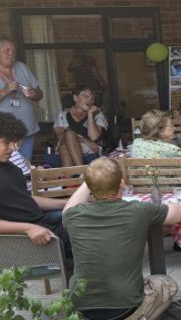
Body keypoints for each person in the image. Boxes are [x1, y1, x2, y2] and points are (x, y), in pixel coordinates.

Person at [63, 157, 181, 320]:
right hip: (125, 313)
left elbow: (68, 207)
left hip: (82, 315)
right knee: (167, 284)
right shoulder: (138, 210)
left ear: (89, 186)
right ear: (122, 183)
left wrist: (92, 181)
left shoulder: (73, 216)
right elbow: (180, 213)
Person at [0, 112, 70, 251]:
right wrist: (27, 228)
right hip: (31, 240)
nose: (14, 148)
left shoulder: (12, 169)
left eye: (14, 142)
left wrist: (67, 203)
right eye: (7, 143)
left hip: (45, 222)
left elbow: (26, 199)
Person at [131, 109, 181, 185]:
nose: (174, 128)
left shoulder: (136, 143)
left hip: (142, 195)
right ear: (159, 130)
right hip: (171, 195)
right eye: (171, 125)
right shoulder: (172, 150)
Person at [0, 38, 43, 162]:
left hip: (27, 129)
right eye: (6, 50)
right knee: (5, 168)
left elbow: (40, 94)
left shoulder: (22, 67)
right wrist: (5, 91)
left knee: (24, 167)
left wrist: (34, 93)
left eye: (13, 50)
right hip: (3, 134)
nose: (11, 53)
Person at [54, 85, 108, 166]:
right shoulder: (62, 115)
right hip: (79, 144)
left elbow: (94, 137)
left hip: (90, 149)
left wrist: (90, 115)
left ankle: (75, 175)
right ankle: (81, 172)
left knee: (65, 146)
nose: (90, 100)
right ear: (75, 98)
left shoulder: (98, 115)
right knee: (67, 137)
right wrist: (84, 140)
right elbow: (61, 137)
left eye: (92, 98)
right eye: (86, 96)